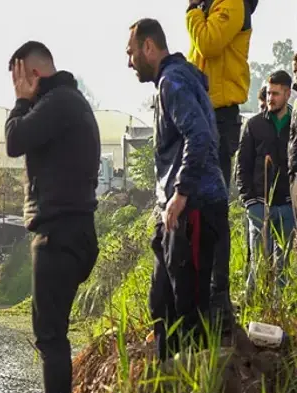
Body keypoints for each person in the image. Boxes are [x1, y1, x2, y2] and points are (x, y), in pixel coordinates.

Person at [3, 40, 101, 393]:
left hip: (61, 233)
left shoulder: (57, 102)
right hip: (70, 231)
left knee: (50, 336)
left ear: (32, 73)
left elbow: (14, 139)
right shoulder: (66, 102)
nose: (16, 88)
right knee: (52, 334)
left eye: (18, 79)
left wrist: (20, 102)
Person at [128, 18, 228, 363]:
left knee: (189, 311)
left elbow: (199, 136)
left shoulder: (173, 83)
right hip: (177, 212)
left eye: (131, 52)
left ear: (149, 47)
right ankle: (167, 392)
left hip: (194, 208)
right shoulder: (176, 81)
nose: (129, 62)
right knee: (162, 303)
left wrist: (181, 193)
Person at [186, 0, 257, 339]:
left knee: (213, 210)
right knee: (198, 210)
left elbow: (209, 43)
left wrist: (191, 12)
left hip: (221, 118)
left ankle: (218, 299)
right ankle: (201, 297)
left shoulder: (231, 4)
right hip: (205, 115)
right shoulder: (209, 7)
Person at [237, 71, 293, 294]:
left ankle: (279, 312)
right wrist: (249, 200)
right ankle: (254, 306)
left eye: (276, 94)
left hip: (288, 205)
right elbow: (242, 165)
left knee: (283, 265)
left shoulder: (295, 124)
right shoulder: (254, 125)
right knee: (258, 263)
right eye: (269, 93)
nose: (270, 98)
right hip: (260, 204)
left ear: (288, 94)